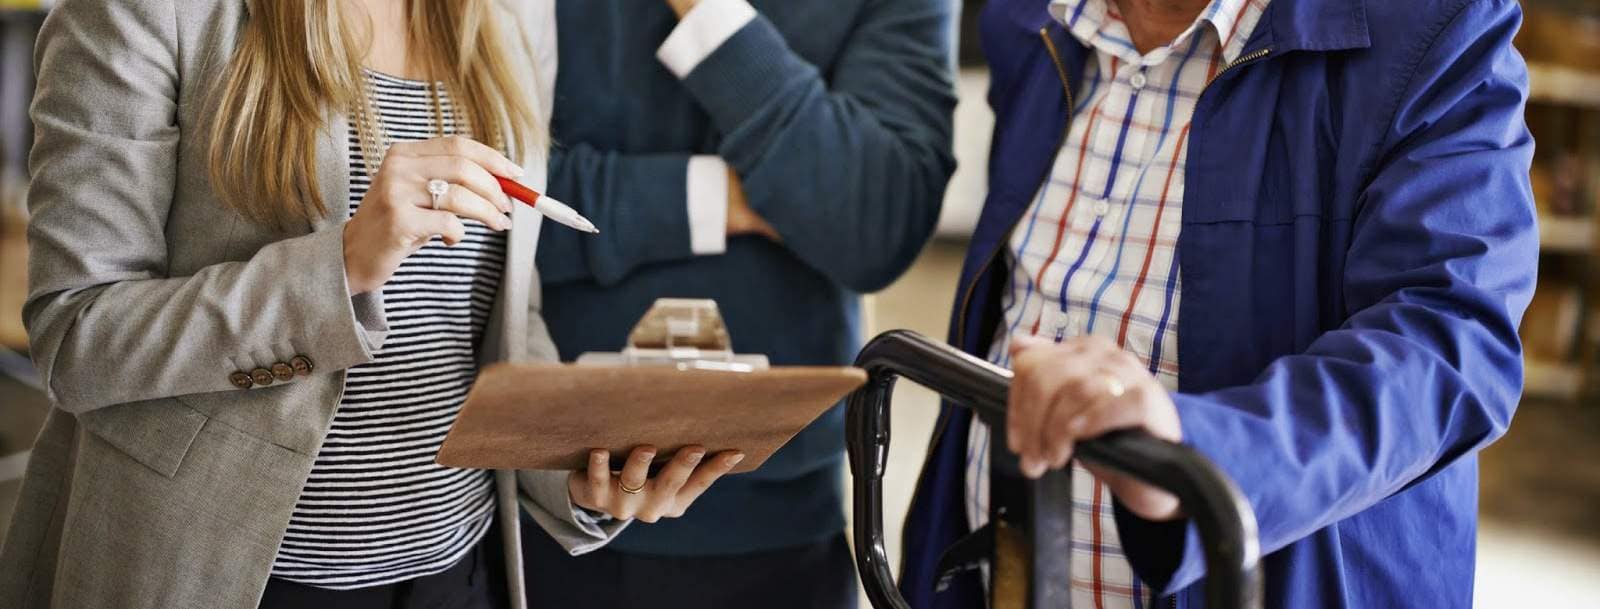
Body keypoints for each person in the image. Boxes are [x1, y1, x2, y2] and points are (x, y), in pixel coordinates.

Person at [0, 1, 740, 608]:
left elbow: (498, 316)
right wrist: (344, 264)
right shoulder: (146, 11)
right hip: (232, 573)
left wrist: (574, 471)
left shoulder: (515, 14)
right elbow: (78, 338)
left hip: (461, 568)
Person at [902, 0, 1536, 608]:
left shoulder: (1436, 24)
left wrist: (1195, 450)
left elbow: (1452, 341)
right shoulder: (1033, 19)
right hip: (1002, 577)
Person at [517, 0, 957, 607]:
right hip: (541, 492)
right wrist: (733, 196)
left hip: (780, 519)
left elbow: (873, 223)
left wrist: (707, 11)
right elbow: (490, 210)